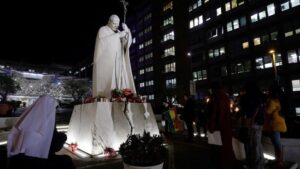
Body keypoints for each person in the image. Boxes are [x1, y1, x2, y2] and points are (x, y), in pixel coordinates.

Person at [7, 95, 75, 169]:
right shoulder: (47, 123)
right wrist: (63, 136)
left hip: (19, 159)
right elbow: (54, 146)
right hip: (35, 161)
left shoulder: (26, 119)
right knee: (66, 160)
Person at [92, 14, 136, 98]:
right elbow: (102, 42)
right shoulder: (103, 30)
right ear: (109, 21)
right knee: (111, 80)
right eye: (114, 23)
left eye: (117, 24)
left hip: (118, 60)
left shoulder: (117, 32)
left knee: (119, 78)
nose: (116, 26)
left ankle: (119, 93)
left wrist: (127, 32)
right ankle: (109, 94)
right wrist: (118, 36)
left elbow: (126, 45)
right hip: (108, 62)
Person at [206, 82, 236, 169]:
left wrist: (211, 126)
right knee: (227, 149)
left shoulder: (215, 97)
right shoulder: (225, 97)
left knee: (218, 150)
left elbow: (215, 113)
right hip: (226, 126)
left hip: (218, 127)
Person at [239, 81, 265, 169]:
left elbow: (244, 111)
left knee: (252, 144)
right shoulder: (260, 96)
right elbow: (259, 107)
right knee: (258, 143)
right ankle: (260, 163)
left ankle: (255, 164)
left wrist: (250, 119)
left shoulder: (246, 97)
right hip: (260, 122)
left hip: (251, 122)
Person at [264, 83, 287, 166]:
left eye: (269, 89)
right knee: (277, 143)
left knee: (276, 144)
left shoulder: (272, 100)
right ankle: (279, 160)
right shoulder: (279, 99)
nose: (267, 91)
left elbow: (268, 111)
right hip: (278, 123)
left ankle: (279, 161)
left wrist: (264, 106)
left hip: (273, 124)